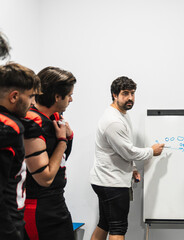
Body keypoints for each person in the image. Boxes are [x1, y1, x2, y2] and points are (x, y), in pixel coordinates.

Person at [89, 76, 165, 240]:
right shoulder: (113, 121)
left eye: (132, 93)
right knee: (118, 227)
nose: (130, 98)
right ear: (114, 95)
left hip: (106, 180)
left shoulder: (121, 114)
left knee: (105, 223)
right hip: (111, 182)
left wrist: (132, 168)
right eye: (125, 93)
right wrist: (151, 151)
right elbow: (129, 152)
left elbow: (121, 149)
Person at [22, 67, 76, 240]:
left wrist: (68, 137)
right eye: (68, 95)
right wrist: (62, 142)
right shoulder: (33, 122)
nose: (71, 99)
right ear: (57, 97)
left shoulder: (52, 119)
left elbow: (60, 160)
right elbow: (44, 178)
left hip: (55, 201)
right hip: (39, 206)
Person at [0, 62, 40, 239]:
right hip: (8, 224)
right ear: (14, 96)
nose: (32, 103)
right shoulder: (9, 128)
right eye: (31, 96)